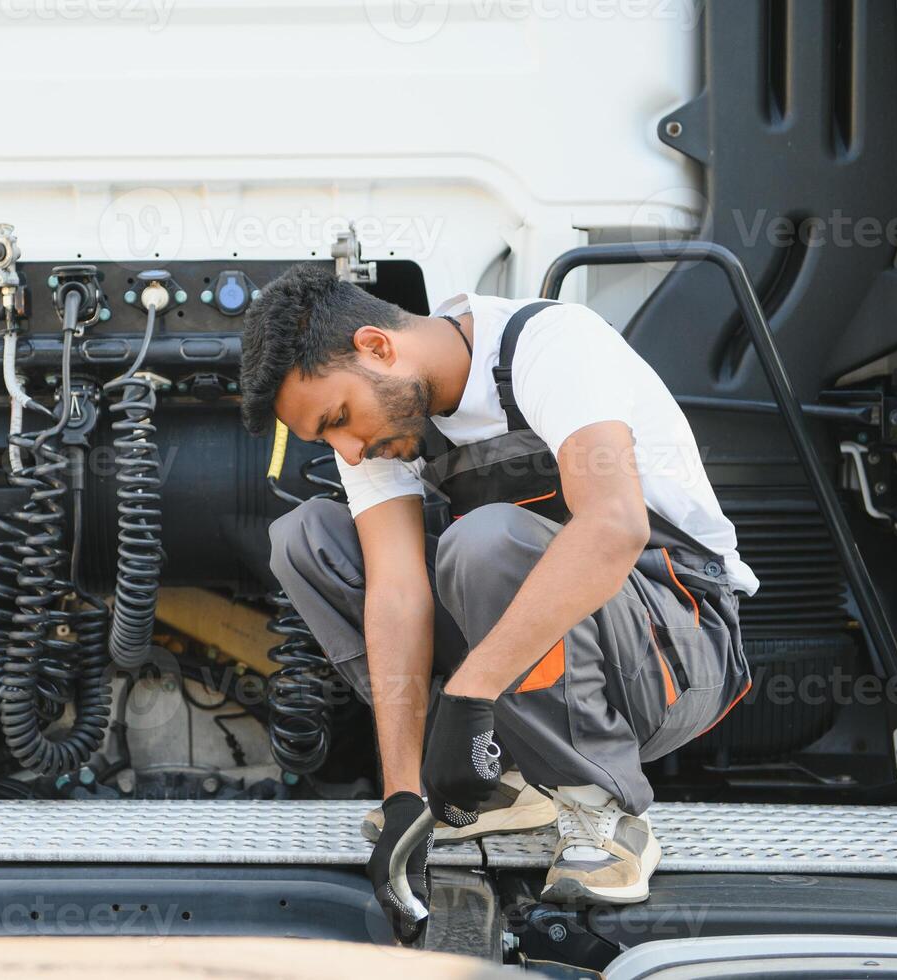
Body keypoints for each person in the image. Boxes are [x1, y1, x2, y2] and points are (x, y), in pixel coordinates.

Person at [239, 264, 754, 941]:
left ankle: (604, 811)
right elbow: (396, 594)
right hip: (542, 668)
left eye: (338, 419)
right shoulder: (386, 420)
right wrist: (403, 795)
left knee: (483, 542)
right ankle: (500, 785)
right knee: (309, 537)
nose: (348, 448)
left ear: (377, 346)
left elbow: (614, 526)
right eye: (324, 438)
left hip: (675, 642)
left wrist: (470, 695)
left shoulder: (549, 345)